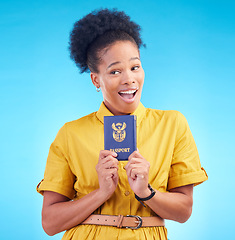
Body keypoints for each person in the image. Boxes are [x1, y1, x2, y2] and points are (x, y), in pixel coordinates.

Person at [37, 8, 208, 240]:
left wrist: (146, 192)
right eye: (115, 71)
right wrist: (101, 193)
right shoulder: (70, 133)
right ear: (96, 79)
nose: (129, 78)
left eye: (135, 67)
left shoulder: (173, 124)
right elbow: (50, 223)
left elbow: (184, 211)